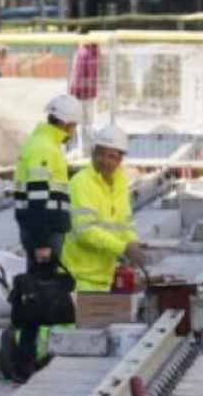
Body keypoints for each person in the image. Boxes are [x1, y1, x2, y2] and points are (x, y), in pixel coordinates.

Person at [60, 124, 151, 292]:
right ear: (93, 153)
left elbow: (124, 222)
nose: (105, 160)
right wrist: (123, 248)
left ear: (120, 160)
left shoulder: (119, 183)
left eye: (111, 156)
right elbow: (85, 232)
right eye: (100, 153)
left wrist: (132, 241)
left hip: (103, 276)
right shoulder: (80, 183)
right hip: (77, 277)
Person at [14, 94, 83, 267]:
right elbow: (37, 198)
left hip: (43, 230)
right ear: (67, 124)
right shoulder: (45, 148)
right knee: (44, 288)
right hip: (46, 233)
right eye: (74, 126)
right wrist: (42, 242)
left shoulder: (43, 143)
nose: (74, 131)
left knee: (42, 287)